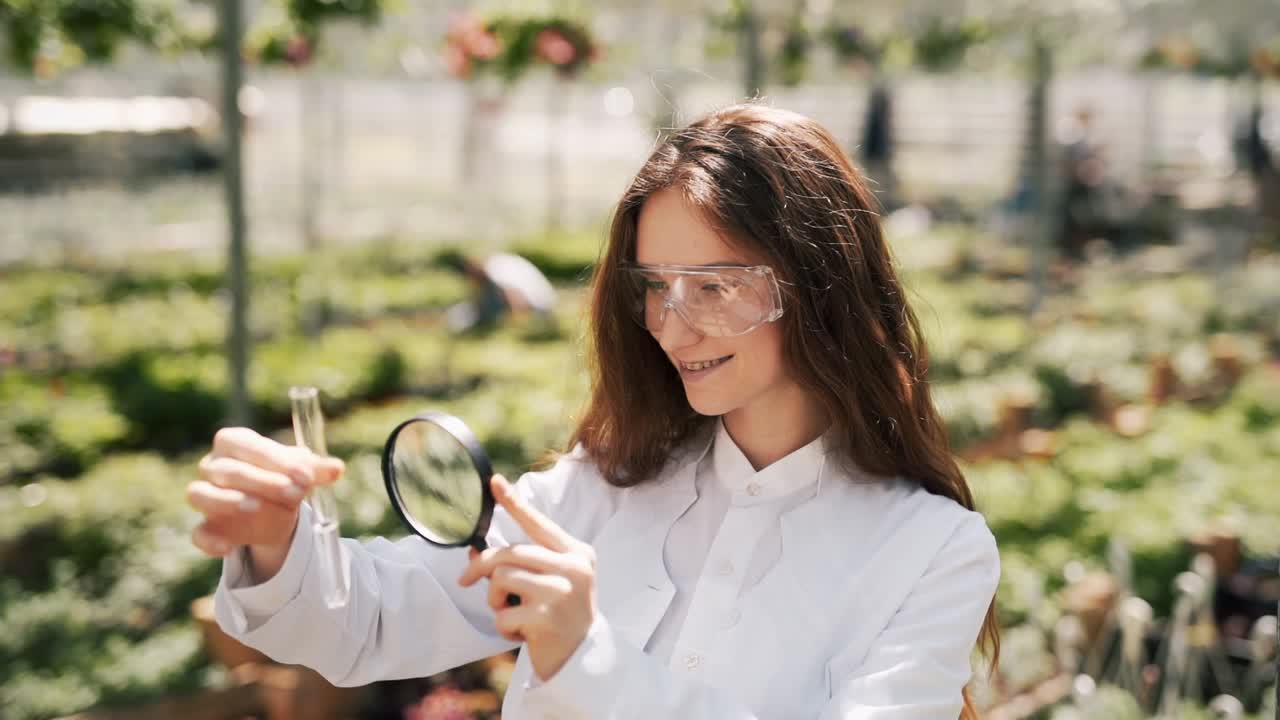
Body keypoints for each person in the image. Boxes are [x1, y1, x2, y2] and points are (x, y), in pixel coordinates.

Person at [187, 103, 1001, 719]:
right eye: (653, 288)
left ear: (820, 289)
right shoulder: (599, 489)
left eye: (714, 287)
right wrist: (278, 544)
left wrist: (590, 655)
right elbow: (366, 619)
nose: (673, 327)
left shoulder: (932, 553)